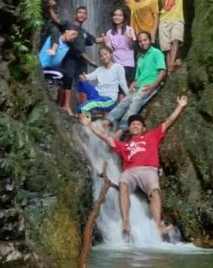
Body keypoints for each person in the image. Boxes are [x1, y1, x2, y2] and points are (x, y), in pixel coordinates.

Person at [80, 94, 189, 237]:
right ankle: (125, 222)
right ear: (130, 129)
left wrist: (180, 106)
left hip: (149, 169)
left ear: (144, 128)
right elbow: (106, 137)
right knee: (123, 184)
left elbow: (168, 122)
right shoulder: (124, 145)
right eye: (132, 124)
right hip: (130, 171)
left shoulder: (152, 136)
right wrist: (89, 125)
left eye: (138, 124)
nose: (135, 125)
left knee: (155, 192)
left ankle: (157, 225)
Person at [106, 31, 166, 133]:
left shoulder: (156, 53)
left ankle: (122, 129)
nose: (143, 43)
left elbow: (163, 71)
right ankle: (108, 120)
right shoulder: (140, 58)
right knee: (125, 100)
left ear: (150, 40)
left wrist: (153, 85)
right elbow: (138, 76)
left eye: (145, 40)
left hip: (150, 84)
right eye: (140, 41)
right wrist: (134, 83)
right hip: (139, 85)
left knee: (136, 100)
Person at [47, 0, 97, 114]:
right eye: (79, 12)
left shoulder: (84, 32)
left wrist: (106, 39)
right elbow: (56, 20)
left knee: (82, 82)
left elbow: (95, 40)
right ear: (75, 15)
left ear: (87, 17)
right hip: (70, 58)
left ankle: (84, 111)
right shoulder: (68, 24)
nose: (82, 15)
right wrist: (50, 7)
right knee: (67, 80)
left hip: (81, 61)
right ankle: (65, 106)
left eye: (84, 13)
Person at [77, 46, 129, 114]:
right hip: (97, 95)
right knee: (81, 83)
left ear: (110, 54)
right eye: (101, 56)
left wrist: (130, 97)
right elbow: (88, 77)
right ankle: (87, 110)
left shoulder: (118, 67)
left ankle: (86, 116)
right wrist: (83, 76)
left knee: (82, 109)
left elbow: (123, 84)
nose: (104, 57)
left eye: (105, 54)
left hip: (108, 100)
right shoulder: (100, 69)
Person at [103, 8, 136, 84]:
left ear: (124, 17)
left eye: (120, 15)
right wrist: (106, 42)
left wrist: (130, 38)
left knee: (123, 86)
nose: (117, 17)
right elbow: (111, 50)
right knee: (117, 87)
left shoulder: (129, 29)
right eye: (115, 15)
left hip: (127, 62)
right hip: (116, 63)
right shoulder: (110, 32)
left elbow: (132, 47)